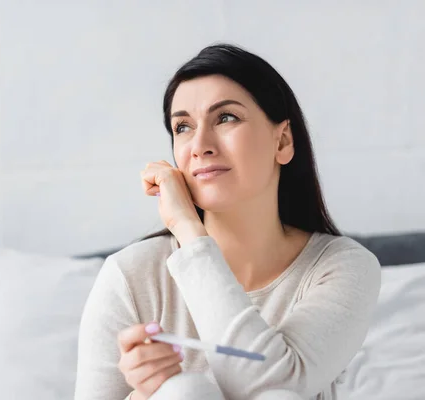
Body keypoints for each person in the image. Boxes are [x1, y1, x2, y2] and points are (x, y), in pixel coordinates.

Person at [73, 43, 381, 400]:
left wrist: (188, 228)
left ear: (282, 141)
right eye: (183, 126)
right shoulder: (130, 275)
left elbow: (273, 387)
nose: (199, 145)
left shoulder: (343, 267)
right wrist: (145, 395)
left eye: (226, 118)